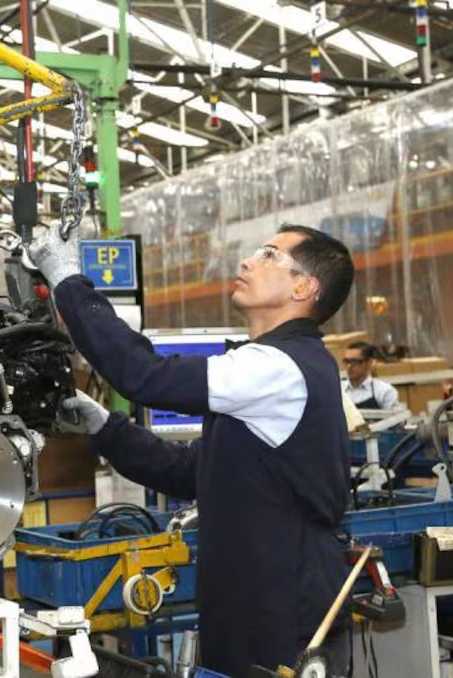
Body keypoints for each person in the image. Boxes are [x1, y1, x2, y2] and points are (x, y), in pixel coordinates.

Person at [31, 224, 356, 676]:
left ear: (304, 288)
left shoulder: (279, 367)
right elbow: (191, 470)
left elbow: (146, 375)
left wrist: (67, 280)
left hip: (284, 617)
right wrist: (105, 425)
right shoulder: (272, 367)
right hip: (251, 609)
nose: (247, 261)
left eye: (269, 255)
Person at [342, 341, 400, 410]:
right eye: (347, 361)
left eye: (355, 361)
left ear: (369, 363)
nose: (349, 366)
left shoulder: (384, 391)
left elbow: (393, 416)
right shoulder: (337, 390)